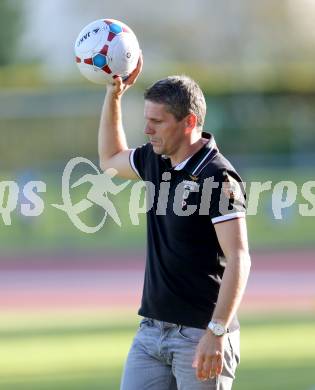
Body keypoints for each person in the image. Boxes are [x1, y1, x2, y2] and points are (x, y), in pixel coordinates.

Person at [98, 55, 251, 390]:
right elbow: (110, 159)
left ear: (188, 121)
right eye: (146, 119)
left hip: (199, 336)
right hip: (151, 332)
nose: (147, 129)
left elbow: (240, 258)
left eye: (157, 121)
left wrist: (217, 330)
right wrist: (114, 96)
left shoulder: (218, 177)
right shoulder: (157, 158)